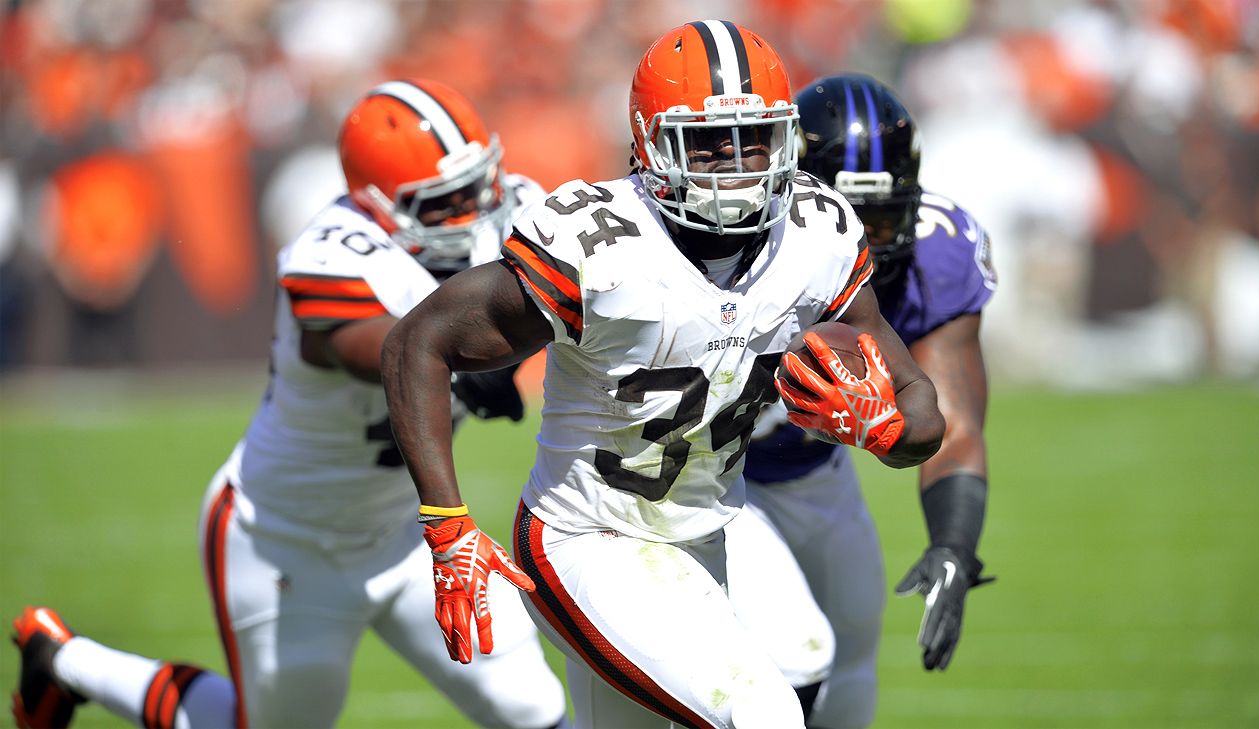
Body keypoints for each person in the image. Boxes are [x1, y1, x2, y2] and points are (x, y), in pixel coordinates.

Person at [380, 22, 946, 729]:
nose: (735, 164)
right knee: (764, 710)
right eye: (707, 142)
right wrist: (446, 524)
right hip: (584, 538)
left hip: (702, 534)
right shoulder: (602, 246)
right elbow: (418, 342)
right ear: (651, 143)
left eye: (754, 138)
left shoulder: (816, 234)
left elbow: (919, 399)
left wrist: (888, 430)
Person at [10, 78, 568, 729]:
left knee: (536, 712)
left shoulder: (517, 206)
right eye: (450, 202)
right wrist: (501, 349)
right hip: (285, 540)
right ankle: (64, 658)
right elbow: (405, 353)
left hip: (410, 534)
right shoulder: (332, 257)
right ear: (383, 207)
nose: (483, 212)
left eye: (484, 185)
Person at [729, 73, 996, 729]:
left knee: (851, 642)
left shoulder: (937, 252)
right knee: (785, 663)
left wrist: (955, 543)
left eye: (881, 217)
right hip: (712, 473)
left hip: (811, 473)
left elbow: (952, 424)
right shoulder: (732, 240)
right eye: (850, 217)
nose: (866, 240)